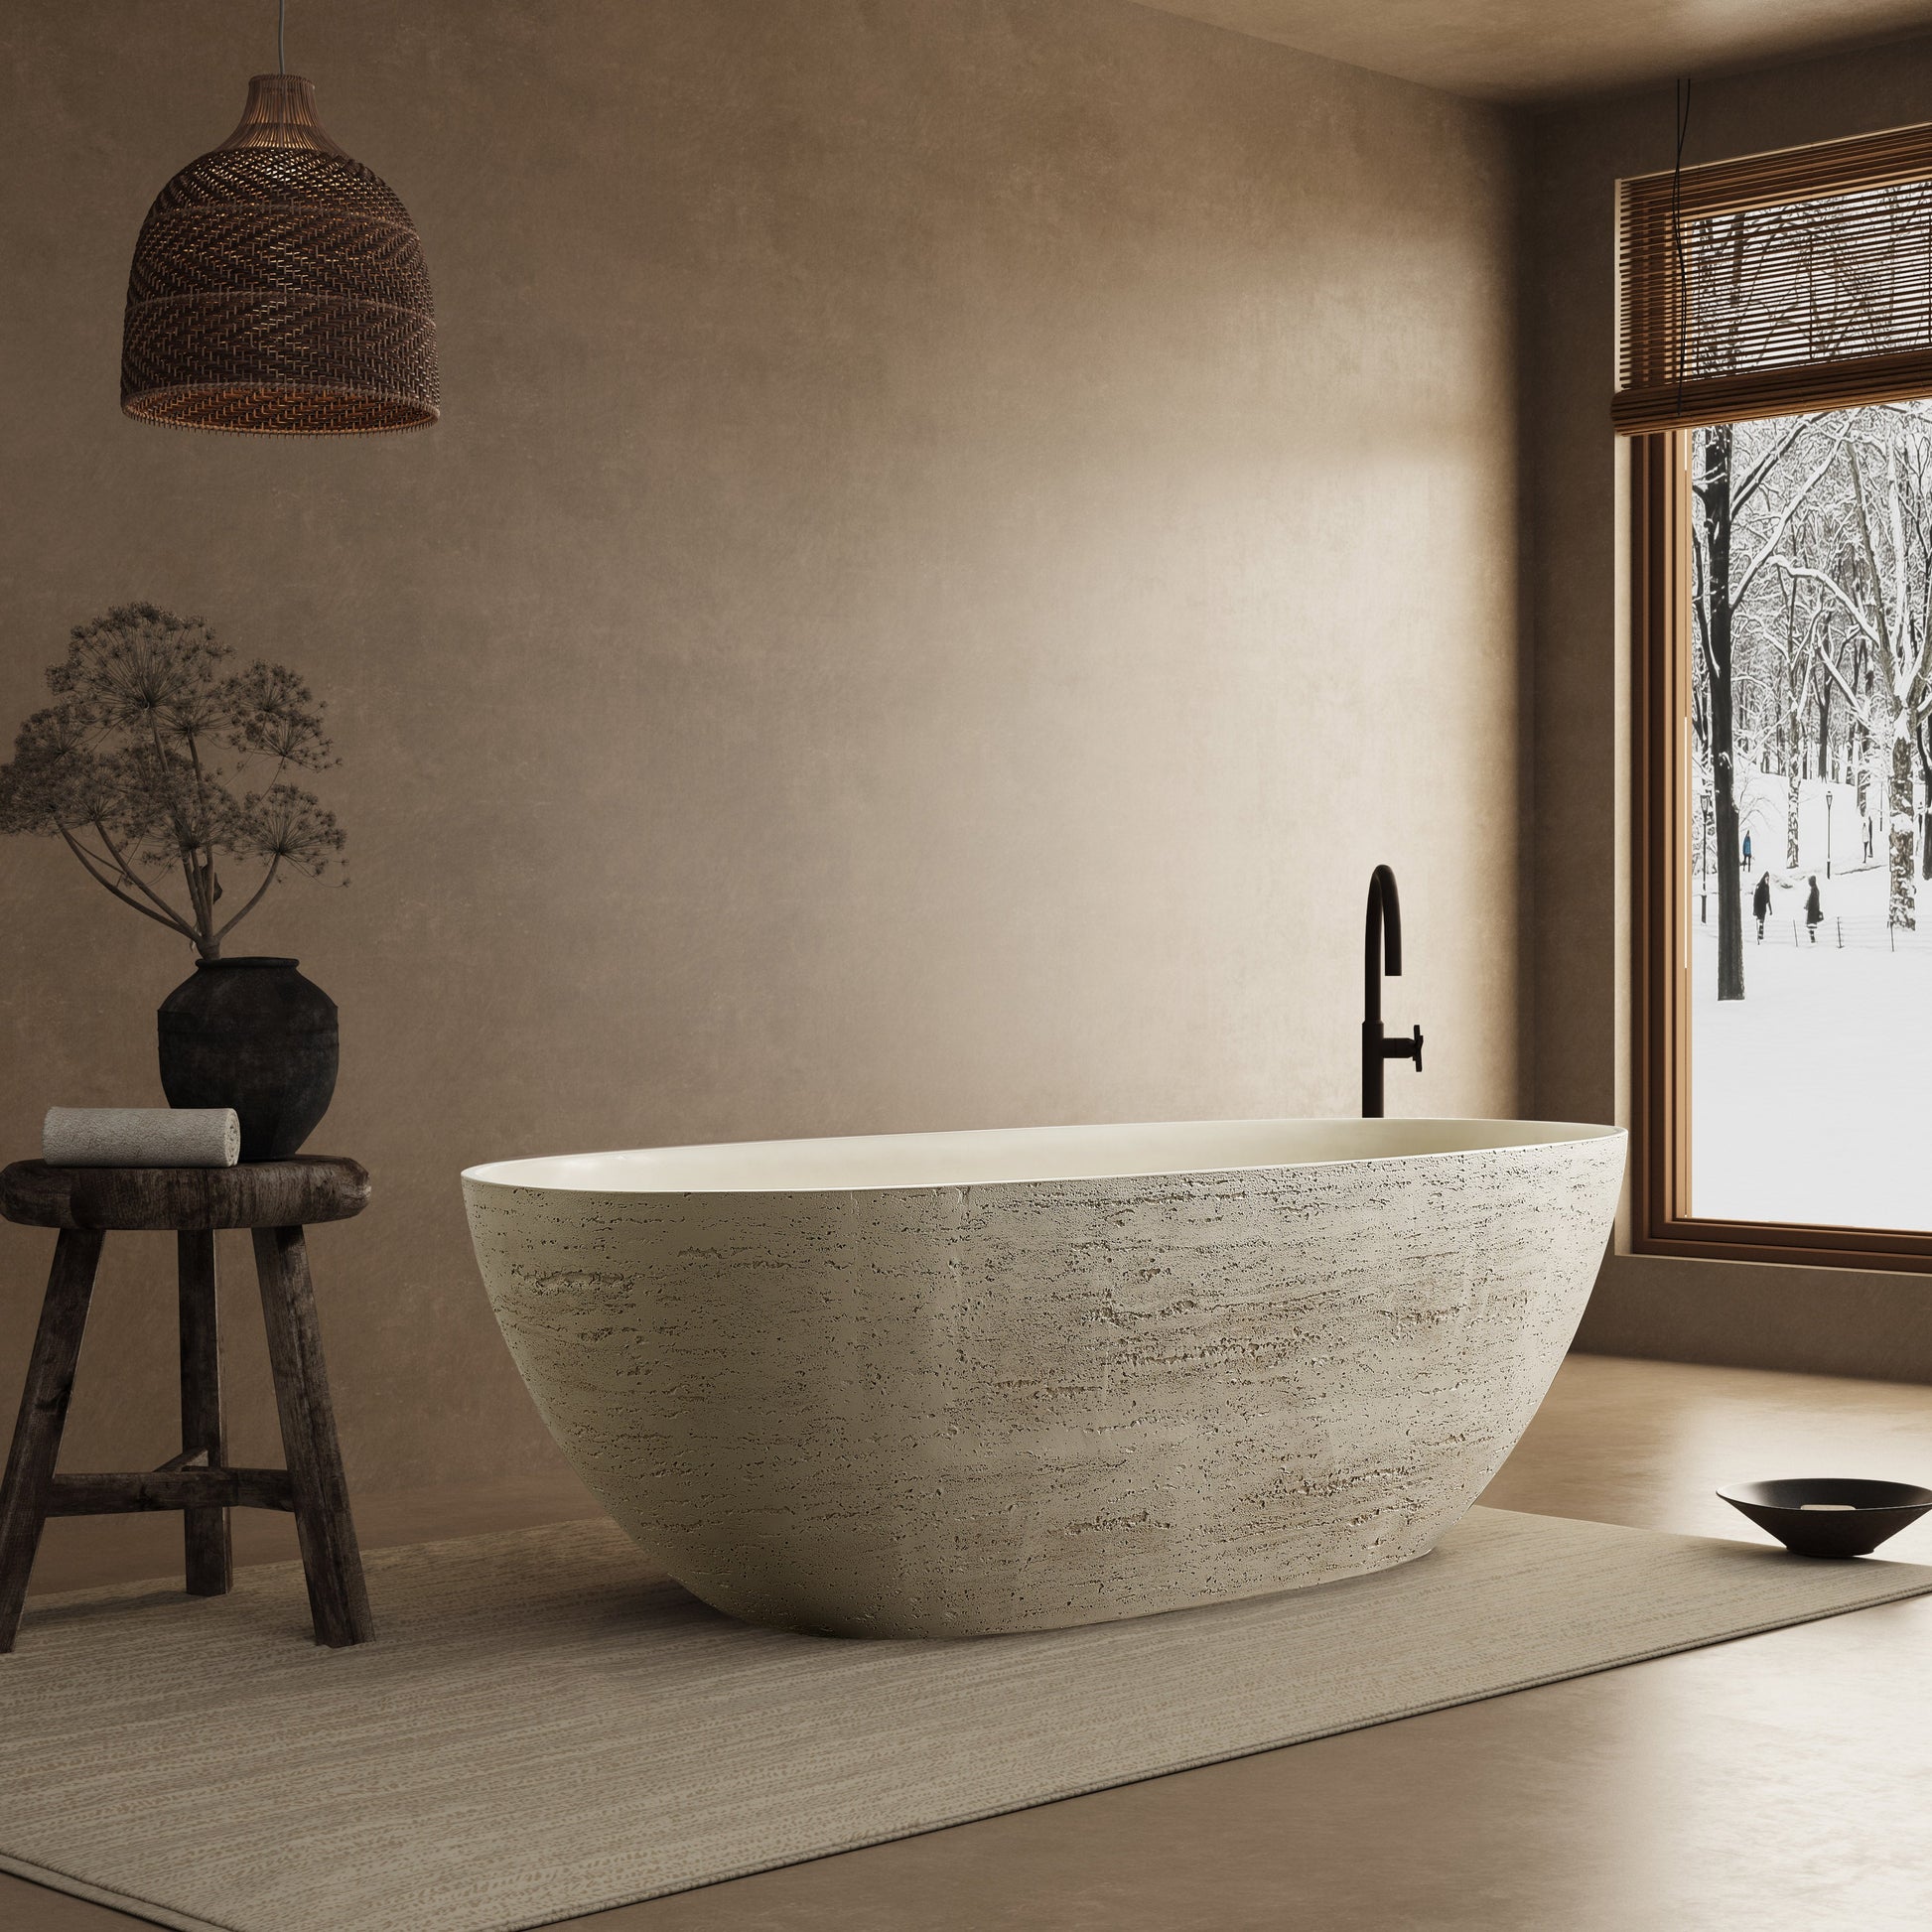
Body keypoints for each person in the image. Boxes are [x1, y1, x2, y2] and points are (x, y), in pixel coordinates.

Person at [1753, 871, 1772, 941]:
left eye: (1768, 879)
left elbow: (1768, 898)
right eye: (1766, 878)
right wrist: (1754, 909)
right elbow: (1755, 898)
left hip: (1764, 907)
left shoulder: (1767, 887)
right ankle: (1760, 934)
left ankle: (1761, 934)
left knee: (1762, 921)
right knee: (1760, 920)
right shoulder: (1759, 886)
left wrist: (1770, 909)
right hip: (1759, 905)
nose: (1767, 880)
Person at [1805, 874, 1823, 943]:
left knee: (1811, 926)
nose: (1809, 883)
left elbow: (1812, 900)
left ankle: (1812, 938)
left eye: (1809, 882)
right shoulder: (1815, 889)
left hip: (1812, 911)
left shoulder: (1814, 890)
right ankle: (1812, 937)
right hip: (1813, 910)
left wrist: (1808, 906)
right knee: (1811, 926)